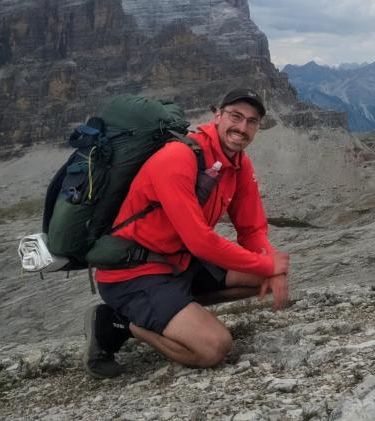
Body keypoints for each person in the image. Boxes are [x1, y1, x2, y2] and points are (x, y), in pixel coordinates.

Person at [83, 88, 290, 379]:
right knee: (213, 348)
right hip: (134, 272)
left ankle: (173, 311)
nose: (242, 127)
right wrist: (269, 264)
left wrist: (271, 268)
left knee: (260, 278)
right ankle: (118, 322)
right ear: (217, 115)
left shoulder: (238, 164)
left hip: (178, 262)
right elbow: (200, 241)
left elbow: (252, 229)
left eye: (251, 121)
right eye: (235, 116)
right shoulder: (178, 158)